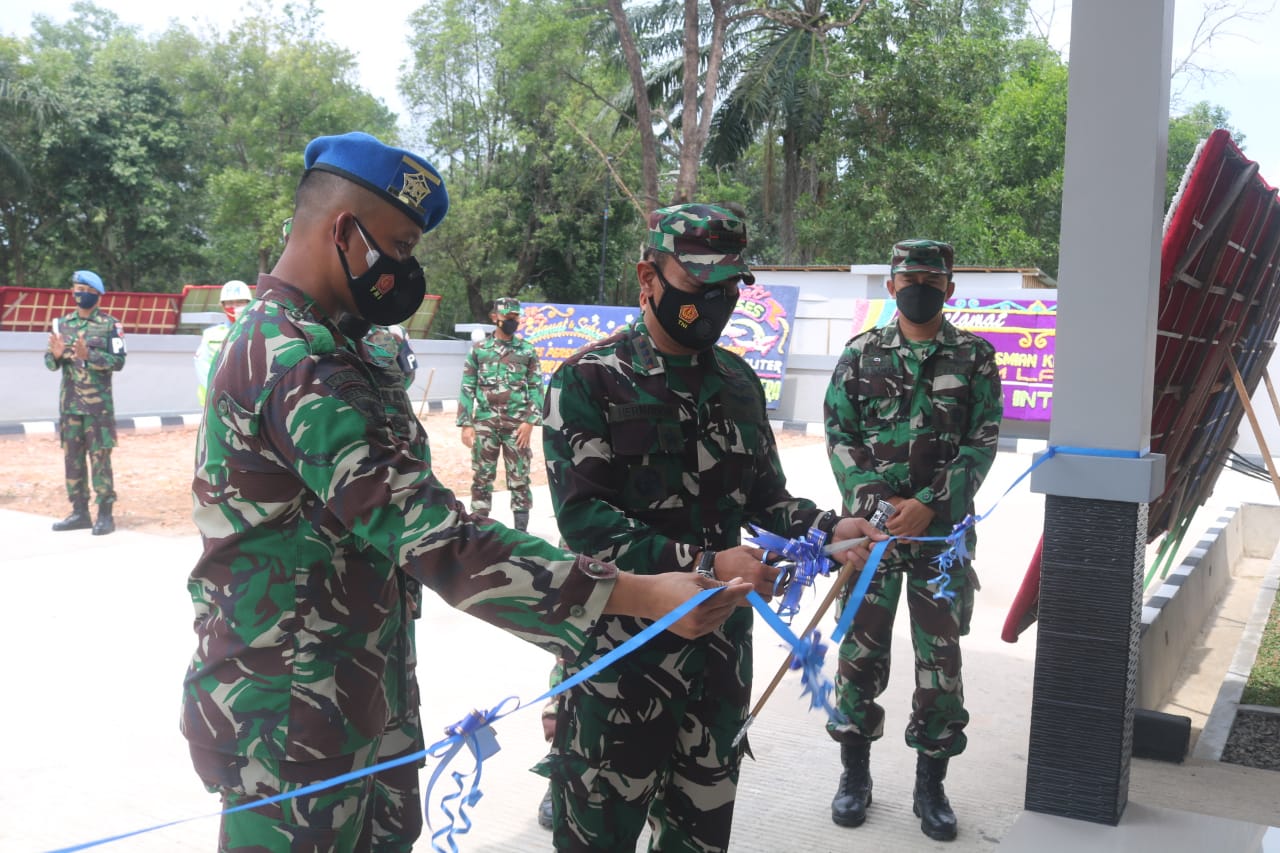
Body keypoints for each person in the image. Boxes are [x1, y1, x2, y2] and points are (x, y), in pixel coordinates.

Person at [180, 131, 755, 853]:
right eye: (398, 244)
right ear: (342, 231)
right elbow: (434, 535)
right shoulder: (289, 360)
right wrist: (639, 594)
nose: (406, 268)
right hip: (288, 719)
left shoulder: (349, 350)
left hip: (365, 688)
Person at [539, 202, 881, 852]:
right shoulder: (588, 381)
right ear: (648, 277)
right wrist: (706, 560)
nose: (718, 301)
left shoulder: (738, 385)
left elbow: (766, 498)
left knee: (700, 841)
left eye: (730, 286)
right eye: (700, 284)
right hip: (619, 668)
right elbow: (586, 523)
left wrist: (829, 531)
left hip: (717, 667)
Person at [823, 239, 1002, 842]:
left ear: (949, 288)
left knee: (940, 666)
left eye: (931, 278)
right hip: (870, 537)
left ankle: (932, 786)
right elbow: (839, 434)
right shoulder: (859, 355)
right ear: (891, 285)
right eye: (908, 278)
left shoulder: (975, 358)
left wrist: (929, 504)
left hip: (940, 542)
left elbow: (982, 441)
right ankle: (854, 776)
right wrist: (877, 500)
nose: (918, 287)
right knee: (859, 659)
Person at [44, 269, 127, 535]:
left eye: (87, 291)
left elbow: (119, 362)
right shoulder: (62, 324)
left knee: (100, 458)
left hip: (97, 408)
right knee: (73, 460)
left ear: (97, 295)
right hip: (70, 406)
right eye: (77, 289)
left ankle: (105, 514)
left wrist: (88, 355)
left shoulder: (110, 325)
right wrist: (56, 356)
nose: (81, 294)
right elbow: (49, 363)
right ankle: (79, 512)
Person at [457, 296, 542, 531]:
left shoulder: (527, 351)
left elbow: (536, 387)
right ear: (495, 318)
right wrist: (466, 424)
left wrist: (529, 421)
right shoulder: (479, 350)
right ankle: (480, 530)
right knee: (482, 477)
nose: (513, 322)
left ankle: (521, 533)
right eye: (508, 318)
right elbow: (467, 386)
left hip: (517, 426)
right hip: (485, 423)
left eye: (516, 318)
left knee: (519, 478)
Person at [194, 279, 252, 407]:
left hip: (248, 403)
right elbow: (202, 366)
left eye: (240, 302)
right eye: (230, 303)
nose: (234, 307)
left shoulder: (257, 332)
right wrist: (217, 392)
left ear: (249, 304)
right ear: (222, 305)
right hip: (215, 404)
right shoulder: (210, 335)